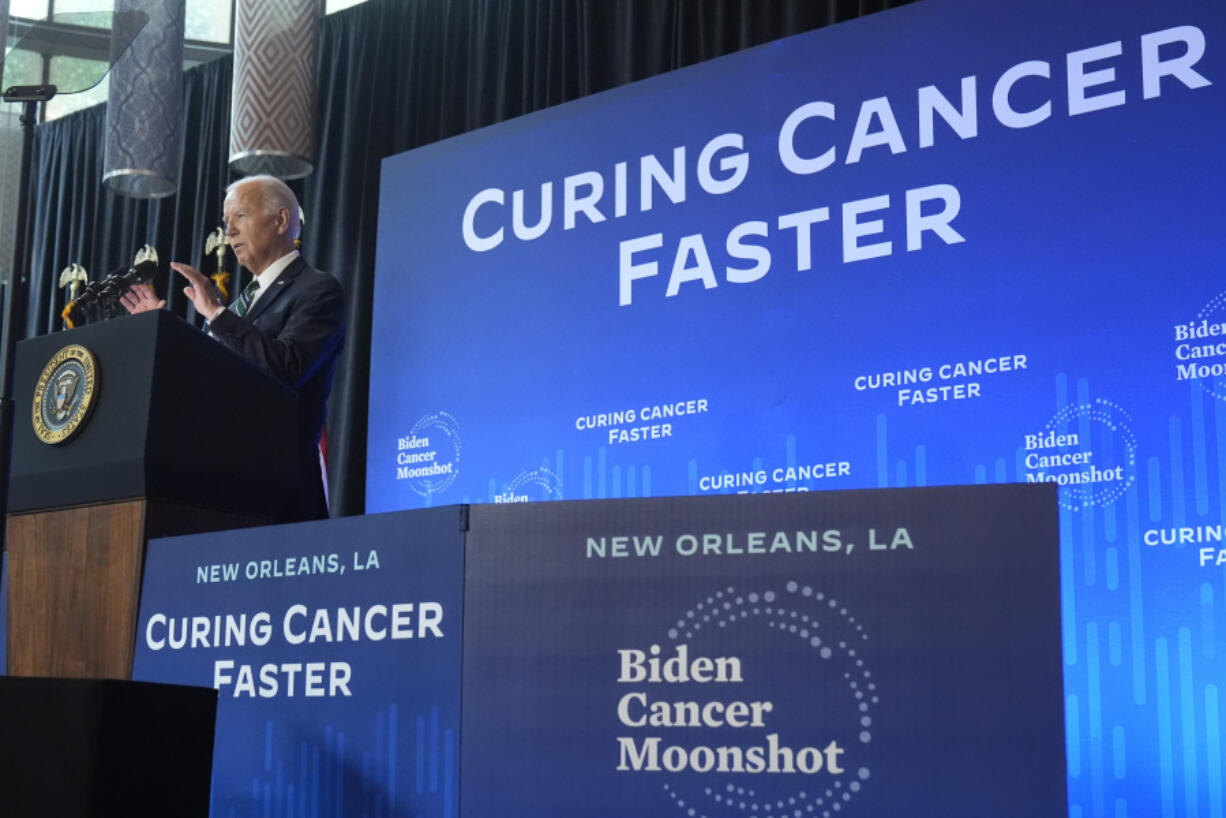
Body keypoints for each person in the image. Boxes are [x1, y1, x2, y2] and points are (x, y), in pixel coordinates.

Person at [121, 175, 345, 522]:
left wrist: (215, 313)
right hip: (215, 486)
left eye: (239, 216)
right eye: (226, 222)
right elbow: (206, 377)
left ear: (281, 220)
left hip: (277, 494)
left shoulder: (317, 290)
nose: (229, 232)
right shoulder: (244, 303)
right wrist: (163, 331)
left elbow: (286, 368)